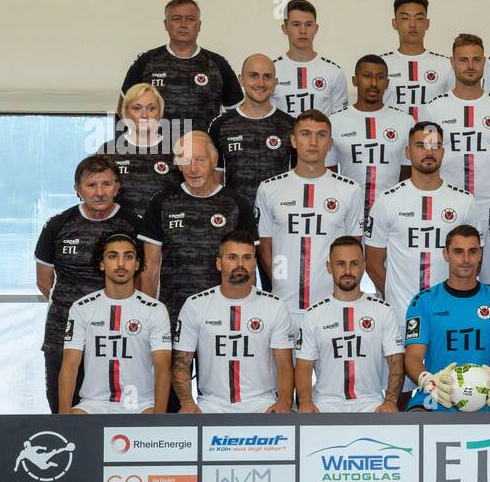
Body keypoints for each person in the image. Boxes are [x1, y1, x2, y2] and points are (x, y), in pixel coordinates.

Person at [35, 155, 141, 412]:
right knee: (64, 406)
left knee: (118, 408)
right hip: (64, 329)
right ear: (77, 189)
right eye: (92, 185)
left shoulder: (134, 225)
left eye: (106, 184)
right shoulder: (58, 225)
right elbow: (43, 281)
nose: (100, 192)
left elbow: (142, 276)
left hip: (118, 332)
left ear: (117, 187)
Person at [418, 34, 490, 282]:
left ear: (484, 61)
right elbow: (428, 160)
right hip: (447, 210)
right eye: (463, 60)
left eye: (476, 59)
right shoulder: (434, 108)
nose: (470, 66)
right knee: (447, 280)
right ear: (452, 62)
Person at [254, 109, 365, 328]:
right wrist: (282, 280)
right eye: (305, 134)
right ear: (293, 141)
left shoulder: (350, 190)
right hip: (283, 306)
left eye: (321, 135)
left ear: (330, 143)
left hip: (331, 305)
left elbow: (353, 249)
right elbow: (265, 248)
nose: (313, 141)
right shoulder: (269, 188)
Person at [404, 226, 490, 411]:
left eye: (473, 251)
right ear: (446, 254)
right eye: (458, 252)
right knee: (412, 424)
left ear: (480, 255)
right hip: (439, 393)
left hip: (487, 396)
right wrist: (428, 382)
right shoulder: (423, 302)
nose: (466, 259)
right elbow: (412, 357)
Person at [139, 131, 257, 328]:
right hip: (172, 314)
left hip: (223, 314)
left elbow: (248, 267)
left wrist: (245, 312)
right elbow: (150, 268)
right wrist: (146, 315)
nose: (193, 169)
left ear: (214, 160)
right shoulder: (161, 202)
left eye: (200, 160)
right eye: (186, 161)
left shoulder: (237, 204)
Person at [171, 229, 294, 413]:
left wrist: (284, 402)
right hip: (211, 406)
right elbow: (181, 363)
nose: (240, 264)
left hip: (262, 405)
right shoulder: (195, 305)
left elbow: (284, 364)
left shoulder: (274, 305)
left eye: (246, 258)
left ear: (254, 263)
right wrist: (188, 402)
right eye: (232, 257)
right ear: (219, 263)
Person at [365, 122, 476, 313]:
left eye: (436, 146)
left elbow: (474, 261)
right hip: (400, 315)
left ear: (443, 151)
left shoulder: (464, 201)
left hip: (449, 314)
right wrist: (395, 298)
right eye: (421, 146)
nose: (429, 152)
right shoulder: (387, 200)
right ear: (408, 152)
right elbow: (373, 263)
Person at [58, 233, 172, 414]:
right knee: (74, 421)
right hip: (93, 404)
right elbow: (70, 364)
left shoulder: (155, 310)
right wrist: (63, 418)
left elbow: (163, 367)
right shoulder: (81, 308)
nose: (121, 263)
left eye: (128, 256)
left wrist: (158, 418)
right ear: (102, 264)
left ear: (137, 264)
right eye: (112, 256)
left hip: (141, 404)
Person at [295, 236, 404, 413]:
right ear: (329, 267)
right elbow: (304, 365)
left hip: (372, 404)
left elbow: (396, 359)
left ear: (364, 266)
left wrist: (390, 401)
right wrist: (306, 402)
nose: (347, 270)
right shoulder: (313, 314)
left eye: (354, 263)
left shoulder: (383, 310)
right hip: (324, 405)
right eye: (340, 264)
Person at [119, 0, 241, 136]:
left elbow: (236, 116)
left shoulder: (217, 64)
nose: (183, 24)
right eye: (176, 19)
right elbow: (124, 109)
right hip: (156, 152)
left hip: (202, 154)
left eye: (190, 19)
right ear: (165, 24)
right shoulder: (146, 61)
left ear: (199, 25)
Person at [207, 53, 296, 215]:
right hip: (235, 219)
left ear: (275, 82)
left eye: (267, 77)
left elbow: (298, 179)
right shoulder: (220, 125)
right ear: (241, 79)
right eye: (253, 76)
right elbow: (214, 180)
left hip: (279, 219)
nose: (260, 83)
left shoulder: (290, 125)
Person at [327, 54, 414, 217]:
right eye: (367, 76)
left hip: (391, 214)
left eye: (380, 77)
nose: (374, 83)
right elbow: (329, 175)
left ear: (387, 83)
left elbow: (407, 176)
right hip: (347, 213)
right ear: (355, 80)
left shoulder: (405, 122)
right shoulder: (335, 121)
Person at [96, 83, 181, 219]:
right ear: (125, 113)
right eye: (137, 108)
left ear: (160, 114)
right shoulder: (108, 151)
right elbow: (97, 196)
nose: (144, 115)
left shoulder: (177, 150)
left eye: (151, 108)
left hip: (162, 234)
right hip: (120, 233)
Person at [382, 0, 455, 121]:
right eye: (405, 18)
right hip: (392, 137)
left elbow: (454, 107)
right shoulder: (381, 64)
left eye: (419, 18)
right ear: (394, 23)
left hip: (432, 136)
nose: (412, 24)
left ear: (427, 24)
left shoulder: (446, 65)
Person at [271, 0, 349, 116]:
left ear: (316, 28)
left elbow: (340, 120)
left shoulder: (334, 72)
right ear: (284, 28)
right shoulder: (271, 70)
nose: (303, 30)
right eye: (296, 24)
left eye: (308, 24)